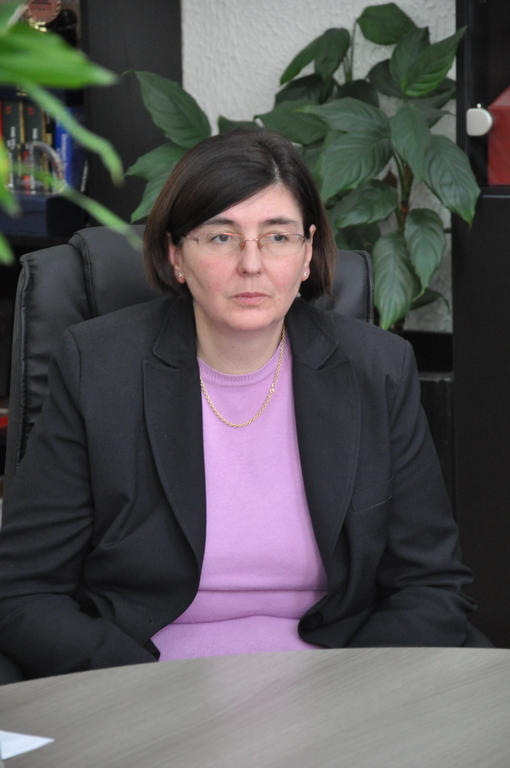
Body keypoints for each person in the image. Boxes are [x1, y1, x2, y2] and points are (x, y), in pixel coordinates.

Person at [0, 128, 486, 681]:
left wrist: (352, 693)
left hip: (336, 682)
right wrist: (142, 690)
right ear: (176, 255)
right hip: (145, 680)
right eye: (221, 237)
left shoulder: (377, 370)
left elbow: (429, 584)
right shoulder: (99, 368)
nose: (251, 264)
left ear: (307, 253)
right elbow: (24, 589)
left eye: (277, 237)